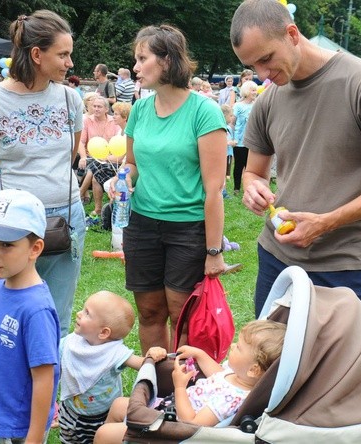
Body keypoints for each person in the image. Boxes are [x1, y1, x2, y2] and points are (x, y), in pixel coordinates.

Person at [230, 0, 361, 315]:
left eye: (266, 59)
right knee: (270, 362)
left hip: (343, 265)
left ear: (291, 33)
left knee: (335, 365)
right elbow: (254, 172)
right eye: (252, 66)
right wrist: (252, 187)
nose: (262, 75)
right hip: (276, 257)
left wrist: (325, 223)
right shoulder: (267, 102)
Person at [0, 10, 85, 342]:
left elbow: (70, 153)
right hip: (11, 226)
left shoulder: (69, 97)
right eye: (63, 54)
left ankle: (46, 393)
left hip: (65, 218)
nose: (70, 63)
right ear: (37, 55)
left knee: (56, 318)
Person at [115, 24, 227, 354]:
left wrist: (213, 251)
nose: (135, 67)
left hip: (188, 230)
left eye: (141, 58)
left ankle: (182, 396)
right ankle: (155, 386)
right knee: (150, 312)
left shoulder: (204, 112)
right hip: (142, 226)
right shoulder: (139, 109)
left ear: (166, 61)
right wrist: (121, 178)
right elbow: (132, 164)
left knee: (182, 316)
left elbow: (214, 190)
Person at [0, 189, 59, 444]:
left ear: (35, 248)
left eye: (6, 245)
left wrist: (35, 437)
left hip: (16, 427)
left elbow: (44, 378)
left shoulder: (35, 309)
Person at [93, 319, 287, 443]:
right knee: (119, 404)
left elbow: (191, 424)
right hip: (167, 410)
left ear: (253, 370)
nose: (234, 345)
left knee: (104, 434)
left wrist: (179, 387)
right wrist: (200, 355)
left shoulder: (230, 400)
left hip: (169, 430)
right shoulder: (237, 375)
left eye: (240, 348)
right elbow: (218, 374)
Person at [58, 291, 166, 443]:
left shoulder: (115, 353)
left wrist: (153, 356)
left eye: (87, 313)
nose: (79, 313)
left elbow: (143, 364)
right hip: (70, 412)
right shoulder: (70, 343)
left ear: (103, 332)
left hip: (104, 417)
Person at [78, 95, 121, 217]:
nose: (96, 109)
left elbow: (118, 143)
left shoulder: (114, 121)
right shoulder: (87, 120)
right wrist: (82, 157)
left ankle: (84, 198)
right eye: (94, 106)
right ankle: (95, 207)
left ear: (106, 109)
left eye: (99, 107)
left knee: (95, 175)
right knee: (95, 165)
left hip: (111, 159)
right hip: (90, 156)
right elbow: (81, 141)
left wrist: (108, 157)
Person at [231, 80, 258, 195]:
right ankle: (237, 188)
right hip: (239, 142)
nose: (255, 92)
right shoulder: (238, 106)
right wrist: (233, 138)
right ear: (246, 91)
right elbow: (232, 123)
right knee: (239, 165)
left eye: (255, 90)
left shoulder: (257, 105)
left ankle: (250, 190)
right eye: (253, 90)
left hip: (253, 142)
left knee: (251, 168)